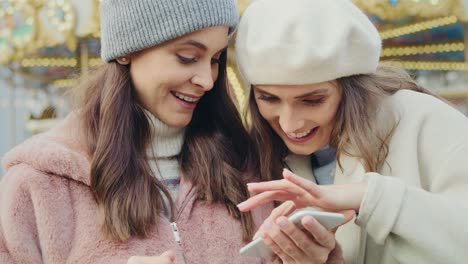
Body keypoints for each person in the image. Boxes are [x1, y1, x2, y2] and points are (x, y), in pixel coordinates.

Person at [0, 0, 271, 263]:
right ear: (126, 50)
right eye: (187, 58)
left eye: (216, 59)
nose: (207, 80)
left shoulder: (246, 169)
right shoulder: (37, 184)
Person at [234, 0, 468, 263]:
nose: (290, 125)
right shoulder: (257, 154)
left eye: (312, 101)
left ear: (352, 89)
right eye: (269, 99)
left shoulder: (424, 119)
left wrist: (369, 198)